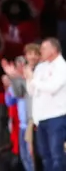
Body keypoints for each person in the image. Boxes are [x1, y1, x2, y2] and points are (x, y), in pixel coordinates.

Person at [28, 38, 66, 171]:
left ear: (53, 50)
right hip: (41, 118)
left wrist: (33, 80)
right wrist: (29, 78)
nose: (41, 51)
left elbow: (52, 87)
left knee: (57, 155)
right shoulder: (41, 67)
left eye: (44, 48)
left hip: (56, 116)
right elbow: (32, 91)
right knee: (45, 155)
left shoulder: (62, 67)